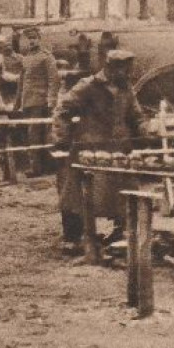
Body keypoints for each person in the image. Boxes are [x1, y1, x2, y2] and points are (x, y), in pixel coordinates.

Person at [51, 48, 147, 255]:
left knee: (123, 191)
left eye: (129, 70)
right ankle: (73, 237)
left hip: (119, 149)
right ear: (110, 68)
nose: (127, 74)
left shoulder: (126, 89)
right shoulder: (88, 86)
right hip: (88, 149)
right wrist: (62, 139)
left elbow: (136, 116)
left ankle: (119, 233)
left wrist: (145, 128)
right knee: (76, 193)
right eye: (123, 69)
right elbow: (62, 111)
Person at [15, 26, 59, 175]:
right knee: (29, 134)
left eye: (34, 38)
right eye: (29, 38)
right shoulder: (26, 57)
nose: (31, 41)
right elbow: (21, 83)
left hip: (40, 102)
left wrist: (51, 101)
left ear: (39, 39)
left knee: (37, 134)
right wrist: (17, 103)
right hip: (27, 102)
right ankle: (38, 165)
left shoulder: (46, 57)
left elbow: (54, 80)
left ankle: (38, 168)